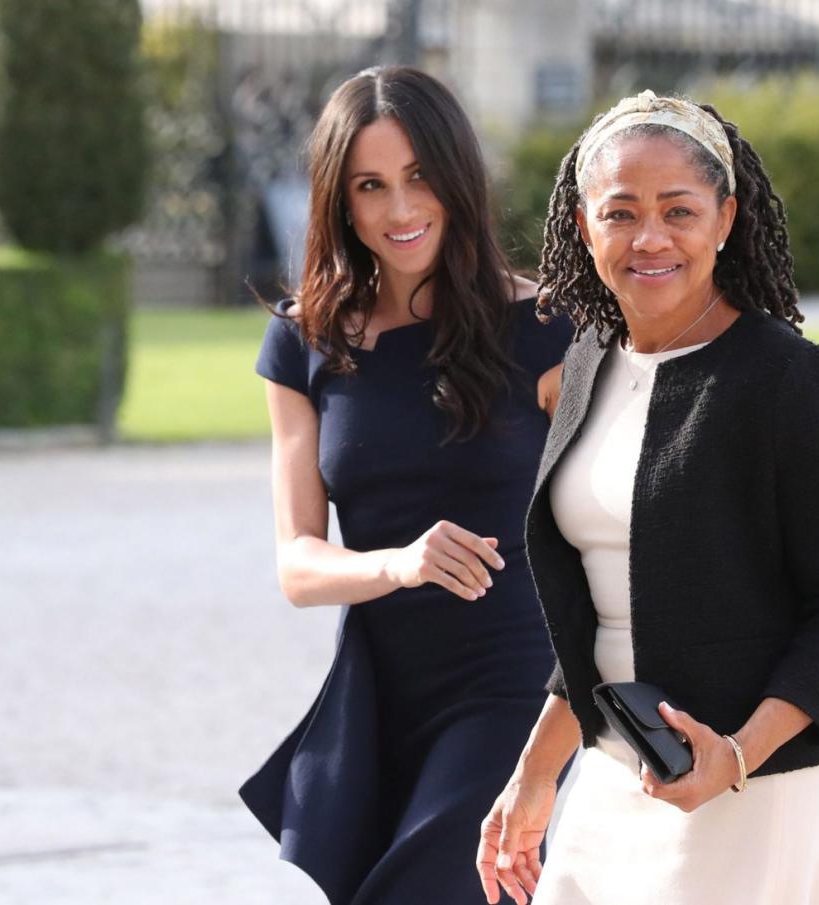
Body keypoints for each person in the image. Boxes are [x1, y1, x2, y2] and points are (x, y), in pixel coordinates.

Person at [476, 90, 819, 905]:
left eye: (679, 210)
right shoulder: (589, 364)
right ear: (584, 226)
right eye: (621, 212)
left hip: (747, 786)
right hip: (611, 775)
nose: (651, 238)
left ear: (726, 217)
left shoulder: (788, 381)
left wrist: (736, 754)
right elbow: (601, 614)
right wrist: (534, 775)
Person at [238, 66, 572, 905]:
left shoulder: (545, 331)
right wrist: (399, 563)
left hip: (514, 683)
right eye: (370, 185)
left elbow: (612, 524)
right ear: (339, 201)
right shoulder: (302, 345)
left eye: (420, 177)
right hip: (381, 692)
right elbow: (298, 565)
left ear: (457, 177)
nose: (399, 209)